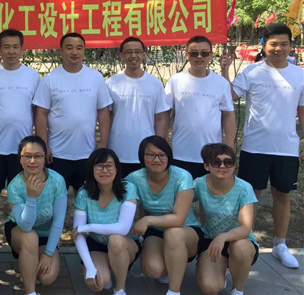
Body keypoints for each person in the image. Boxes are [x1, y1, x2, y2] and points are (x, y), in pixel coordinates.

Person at [221, 23, 303, 269]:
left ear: (291, 46)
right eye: (273, 44)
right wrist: (224, 70)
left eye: (284, 44)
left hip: (286, 148)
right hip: (255, 146)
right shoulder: (252, 72)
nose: (279, 49)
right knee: (250, 196)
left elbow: (302, 111)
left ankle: (280, 244)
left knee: (283, 195)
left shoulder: (299, 74)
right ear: (264, 45)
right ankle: (244, 241)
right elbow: (229, 96)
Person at [0, 29, 40, 246]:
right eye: (7, 47)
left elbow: (37, 111)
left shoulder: (32, 76)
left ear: (22, 49)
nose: (11, 51)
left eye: (16, 47)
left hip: (22, 151)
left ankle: (23, 239)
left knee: (22, 195)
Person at [33, 32, 112, 192]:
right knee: (55, 196)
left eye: (79, 48)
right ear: (61, 51)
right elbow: (41, 113)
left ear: (84, 51)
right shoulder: (50, 79)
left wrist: (103, 142)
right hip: (57, 154)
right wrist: (44, 145)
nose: (74, 52)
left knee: (86, 196)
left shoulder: (95, 78)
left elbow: (103, 111)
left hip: (87, 153)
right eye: (69, 48)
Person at [125, 136, 202, 295]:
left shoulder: (182, 176)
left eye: (161, 155)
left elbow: (178, 219)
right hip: (157, 232)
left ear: (169, 156)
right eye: (150, 155)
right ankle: (173, 263)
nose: (156, 159)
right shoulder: (134, 178)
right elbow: (115, 195)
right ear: (142, 157)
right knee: (153, 269)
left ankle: (174, 291)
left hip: (186, 231)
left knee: (173, 233)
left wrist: (147, 219)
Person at [165, 35, 236, 178]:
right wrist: (165, 143)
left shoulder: (221, 83)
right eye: (194, 53)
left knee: (210, 191)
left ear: (211, 55)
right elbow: (164, 114)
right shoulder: (176, 80)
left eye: (204, 53)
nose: (199, 57)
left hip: (213, 155)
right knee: (182, 191)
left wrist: (229, 147)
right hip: (181, 152)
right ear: (187, 55)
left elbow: (228, 115)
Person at [73, 148, 140, 295]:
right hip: (97, 244)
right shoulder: (84, 193)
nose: (104, 170)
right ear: (91, 169)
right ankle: (106, 270)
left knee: (116, 239)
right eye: (99, 166)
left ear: (116, 169)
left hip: (125, 244)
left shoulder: (128, 188)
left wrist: (88, 227)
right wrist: (90, 267)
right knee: (99, 284)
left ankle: (120, 289)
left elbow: (123, 228)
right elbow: (78, 234)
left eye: (109, 165)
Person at [5, 135, 67, 295]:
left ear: (45, 157)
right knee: (30, 237)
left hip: (46, 234)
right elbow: (26, 226)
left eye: (38, 156)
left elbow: (59, 220)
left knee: (46, 278)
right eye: (27, 156)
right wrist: (31, 198)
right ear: (20, 159)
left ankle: (30, 263)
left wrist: (48, 253)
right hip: (20, 230)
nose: (32, 161)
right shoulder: (14, 186)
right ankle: (30, 292)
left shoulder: (57, 181)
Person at [194, 144, 258, 295]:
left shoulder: (244, 188)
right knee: (210, 288)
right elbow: (180, 203)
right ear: (206, 166)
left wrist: (223, 237)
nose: (223, 166)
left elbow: (245, 228)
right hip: (210, 239)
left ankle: (237, 289)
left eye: (228, 162)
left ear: (233, 166)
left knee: (240, 248)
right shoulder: (199, 184)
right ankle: (215, 269)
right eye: (216, 162)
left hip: (239, 240)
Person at [106, 37, 170, 177]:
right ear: (122, 55)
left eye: (137, 51)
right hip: (118, 150)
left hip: (147, 152)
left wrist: (158, 148)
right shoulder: (111, 83)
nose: (133, 55)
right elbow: (106, 117)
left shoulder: (155, 84)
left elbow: (160, 119)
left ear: (143, 54)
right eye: (129, 52)